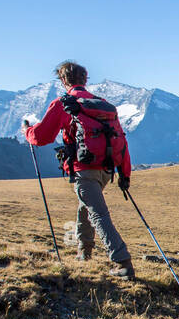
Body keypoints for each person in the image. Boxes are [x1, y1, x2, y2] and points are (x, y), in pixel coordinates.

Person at [23, 61, 135, 279]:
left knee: (98, 214)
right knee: (85, 207)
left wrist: (27, 131)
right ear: (85, 79)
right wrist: (125, 174)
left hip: (83, 168)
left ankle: (122, 262)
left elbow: (41, 136)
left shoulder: (64, 104)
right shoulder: (103, 105)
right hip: (106, 169)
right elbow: (121, 139)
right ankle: (84, 253)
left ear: (63, 80)